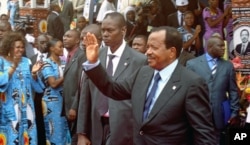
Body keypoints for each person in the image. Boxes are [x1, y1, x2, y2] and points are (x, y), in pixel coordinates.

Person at [83, 26, 216, 144]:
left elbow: (203, 132)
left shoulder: (192, 83)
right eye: (148, 47)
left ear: (172, 52)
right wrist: (94, 63)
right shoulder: (143, 73)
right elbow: (113, 89)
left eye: (154, 48)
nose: (148, 52)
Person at [77, 12, 147, 145]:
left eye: (110, 30)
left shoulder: (139, 60)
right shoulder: (94, 56)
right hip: (96, 127)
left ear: (123, 30)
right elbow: (85, 96)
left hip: (124, 129)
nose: (105, 34)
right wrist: (82, 133)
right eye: (103, 30)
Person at [186, 35, 239, 145]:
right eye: (220, 46)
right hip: (198, 114)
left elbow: (233, 91)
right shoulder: (193, 64)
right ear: (210, 47)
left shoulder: (228, 66)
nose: (224, 49)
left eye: (224, 46)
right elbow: (187, 90)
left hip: (219, 114)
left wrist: (234, 111)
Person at [0, 32, 44, 144]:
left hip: (27, 107)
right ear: (9, 47)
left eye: (22, 47)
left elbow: (36, 87)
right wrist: (13, 65)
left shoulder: (26, 61)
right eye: (17, 47)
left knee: (28, 134)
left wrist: (34, 74)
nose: (20, 49)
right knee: (11, 133)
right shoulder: (2, 61)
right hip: (9, 107)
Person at [40, 38, 71, 144]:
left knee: (64, 130)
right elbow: (53, 84)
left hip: (64, 100)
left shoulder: (64, 61)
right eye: (60, 46)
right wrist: (67, 73)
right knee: (55, 131)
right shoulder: (47, 63)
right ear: (52, 49)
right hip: (52, 101)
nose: (63, 48)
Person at [63, 29, 86, 144]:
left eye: (68, 36)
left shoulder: (81, 56)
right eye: (64, 36)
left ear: (77, 40)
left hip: (75, 107)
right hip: (67, 107)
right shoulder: (69, 56)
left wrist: (74, 107)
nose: (64, 38)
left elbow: (81, 83)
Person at [30, 34, 49, 145]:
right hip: (35, 97)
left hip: (49, 96)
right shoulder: (31, 58)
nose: (44, 45)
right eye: (42, 42)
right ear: (36, 44)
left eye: (46, 42)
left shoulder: (53, 57)